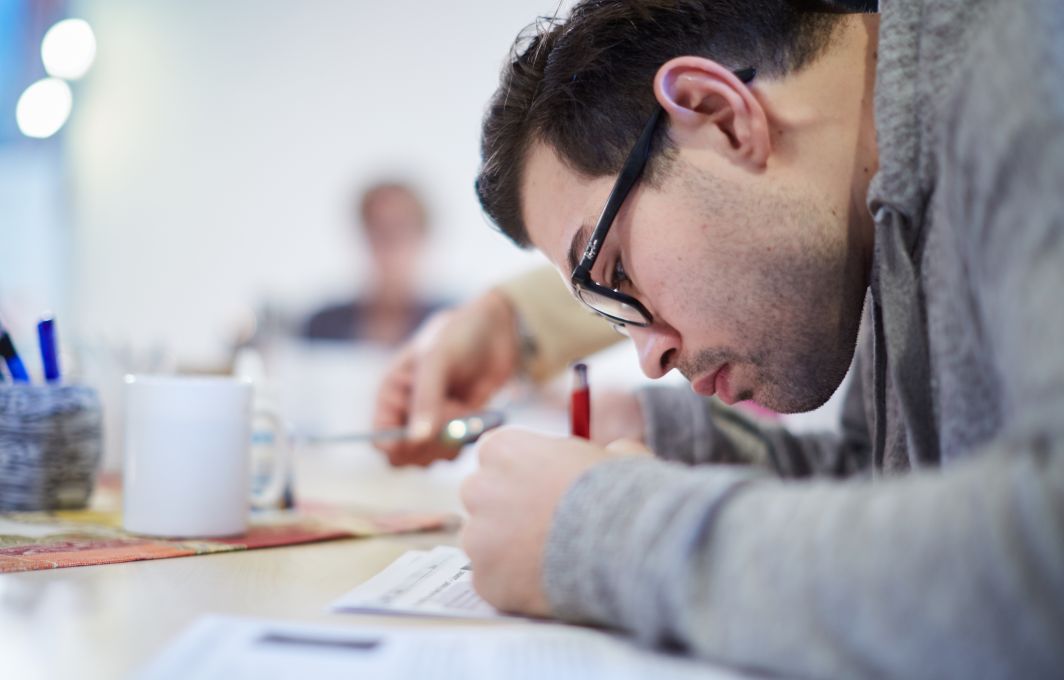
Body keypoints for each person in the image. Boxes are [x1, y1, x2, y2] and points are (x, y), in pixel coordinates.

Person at [372, 0, 1064, 676]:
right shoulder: (870, 217)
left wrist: (606, 533)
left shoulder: (1027, 63)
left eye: (613, 271)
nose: (649, 359)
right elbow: (887, 487)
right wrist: (665, 443)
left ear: (718, 114)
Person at [302, 181, 446, 344]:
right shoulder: (323, 326)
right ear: (365, 236)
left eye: (401, 229)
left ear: (422, 236)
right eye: (379, 231)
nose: (391, 243)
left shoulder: (451, 327)